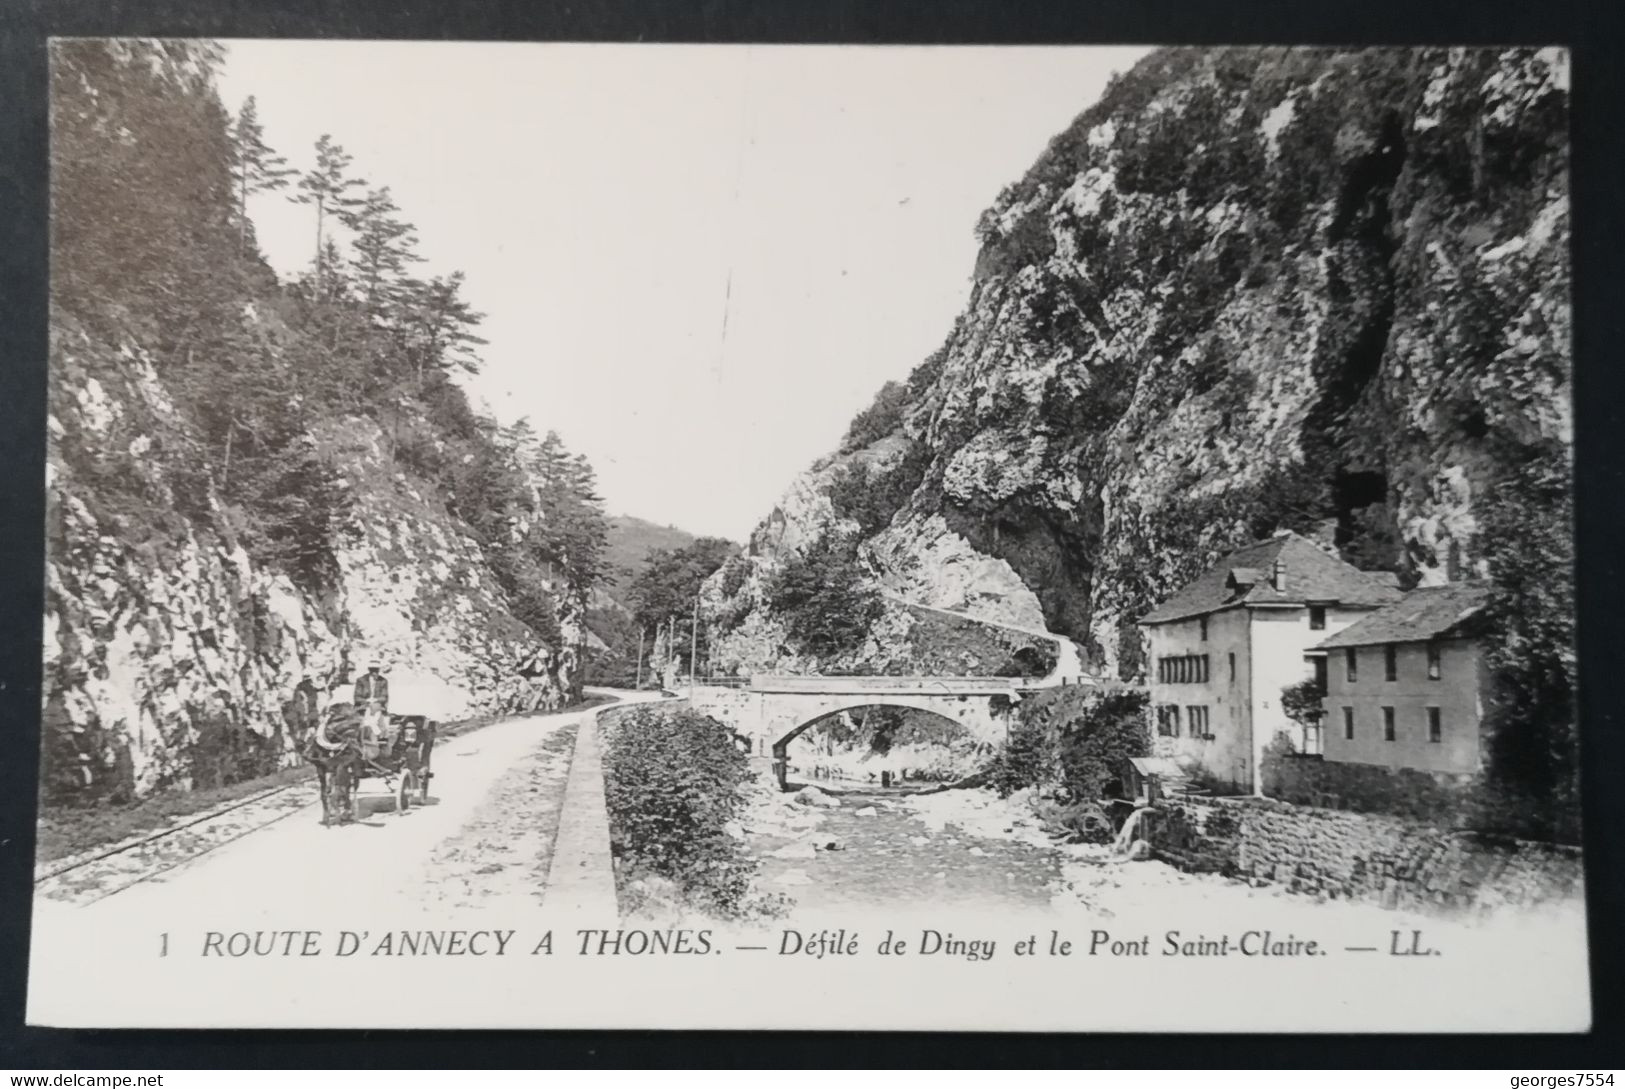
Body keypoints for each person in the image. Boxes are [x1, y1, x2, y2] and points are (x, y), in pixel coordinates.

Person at [354, 661, 390, 764]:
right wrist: (366, 701)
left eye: (377, 670)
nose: (375, 673)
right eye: (373, 670)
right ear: (369, 670)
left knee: (376, 711)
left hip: (377, 706)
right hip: (363, 707)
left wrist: (375, 700)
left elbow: (384, 697)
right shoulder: (361, 681)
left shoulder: (383, 681)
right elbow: (357, 697)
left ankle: (377, 739)